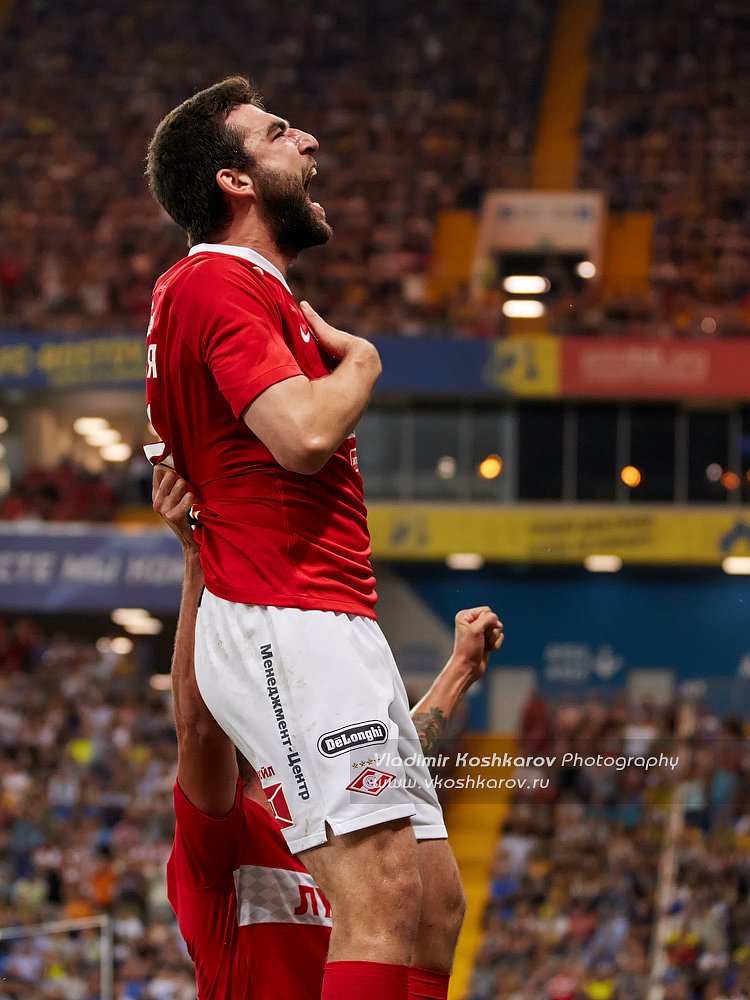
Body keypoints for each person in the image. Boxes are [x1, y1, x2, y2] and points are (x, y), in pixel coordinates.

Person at [144, 76, 504, 1000]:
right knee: (380, 893)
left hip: (328, 610)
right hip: (279, 606)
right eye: (278, 133)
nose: (308, 142)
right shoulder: (216, 279)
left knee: (431, 901)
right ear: (234, 180)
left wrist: (455, 671)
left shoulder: (246, 290)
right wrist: (368, 364)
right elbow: (302, 437)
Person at [153, 466, 505, 999]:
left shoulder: (334, 812)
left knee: (438, 906)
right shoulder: (224, 841)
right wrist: (201, 558)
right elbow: (198, 728)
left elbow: (384, 766)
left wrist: (459, 673)